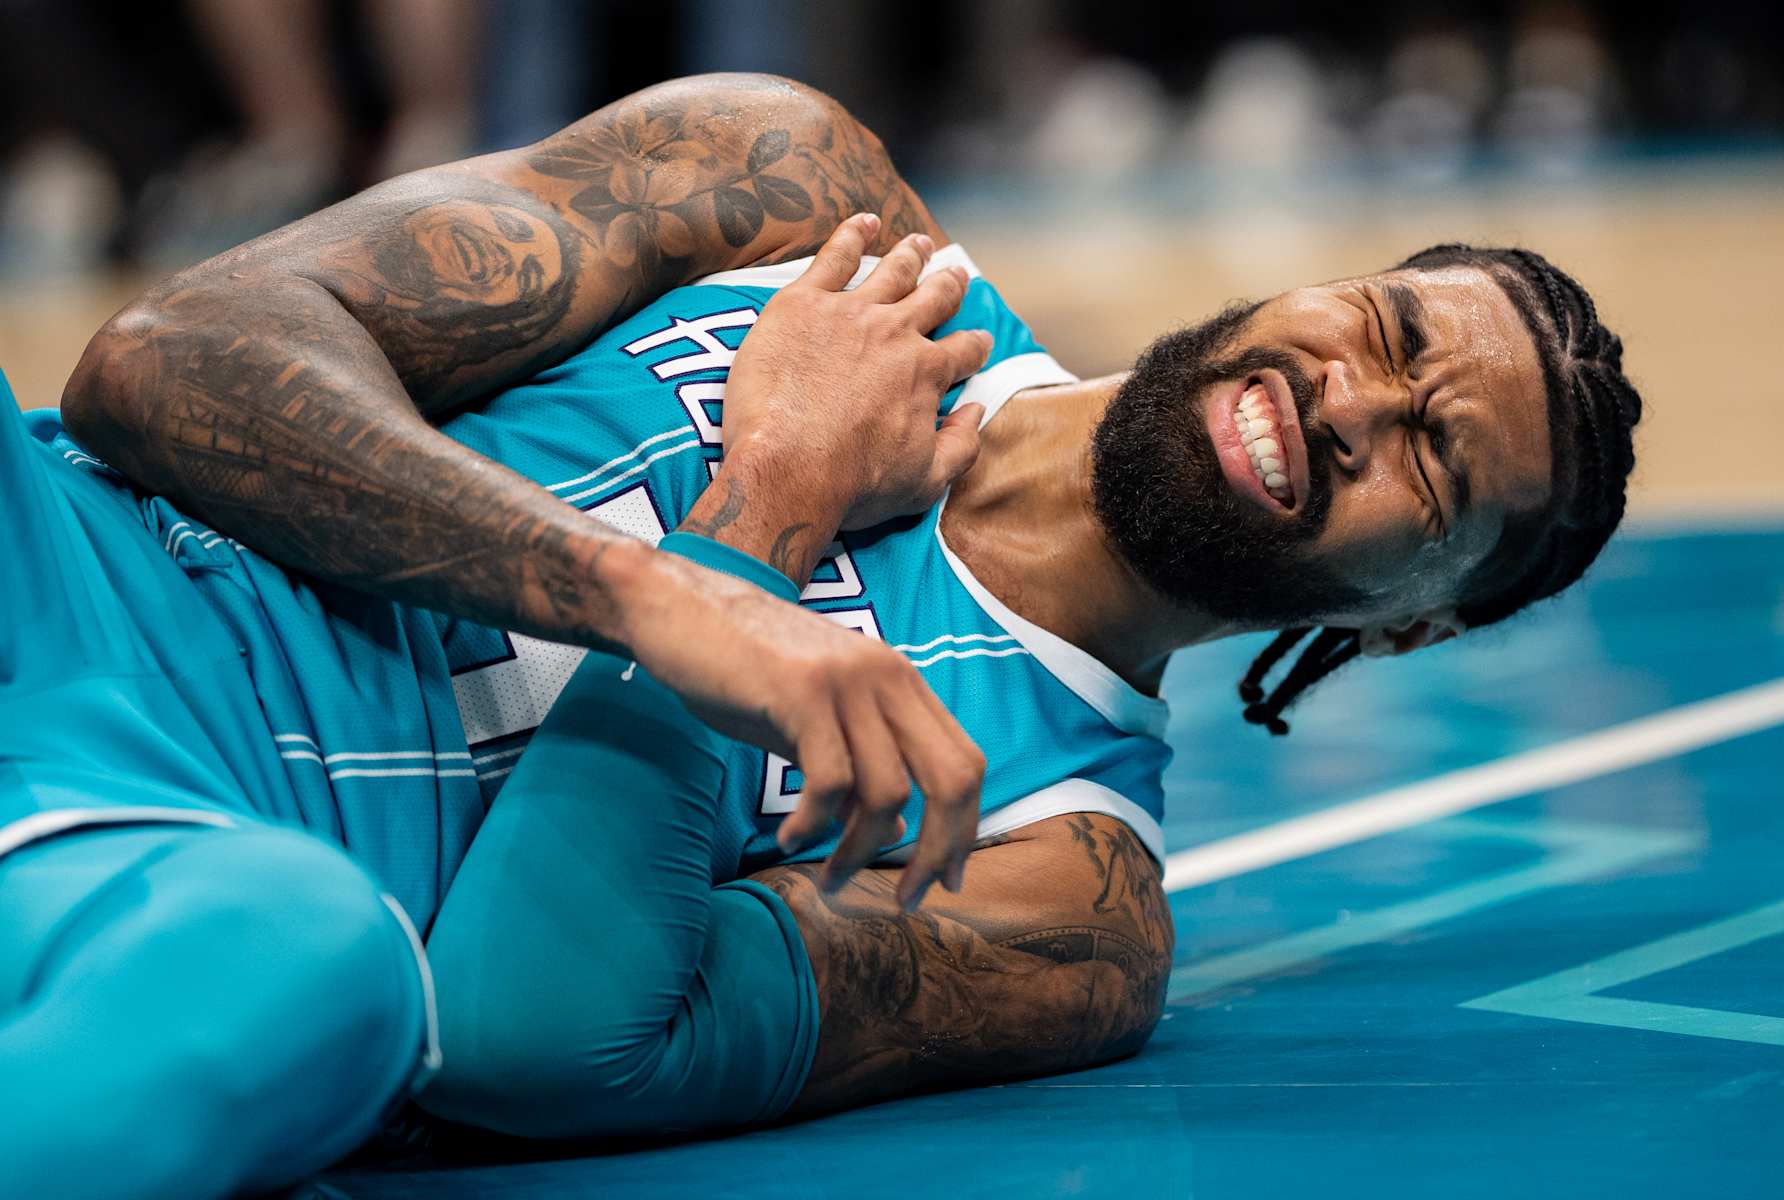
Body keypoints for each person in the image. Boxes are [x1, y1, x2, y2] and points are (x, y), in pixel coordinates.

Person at [8, 71, 1641, 1194]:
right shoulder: (799, 195)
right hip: (49, 562)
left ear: (1412, 625)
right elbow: (169, 360)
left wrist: (759, 527)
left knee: (315, 974)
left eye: (1436, 462)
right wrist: (655, 597)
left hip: (155, 855)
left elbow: (522, 1040)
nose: (1354, 402)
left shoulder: (1064, 890)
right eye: (1387, 327)